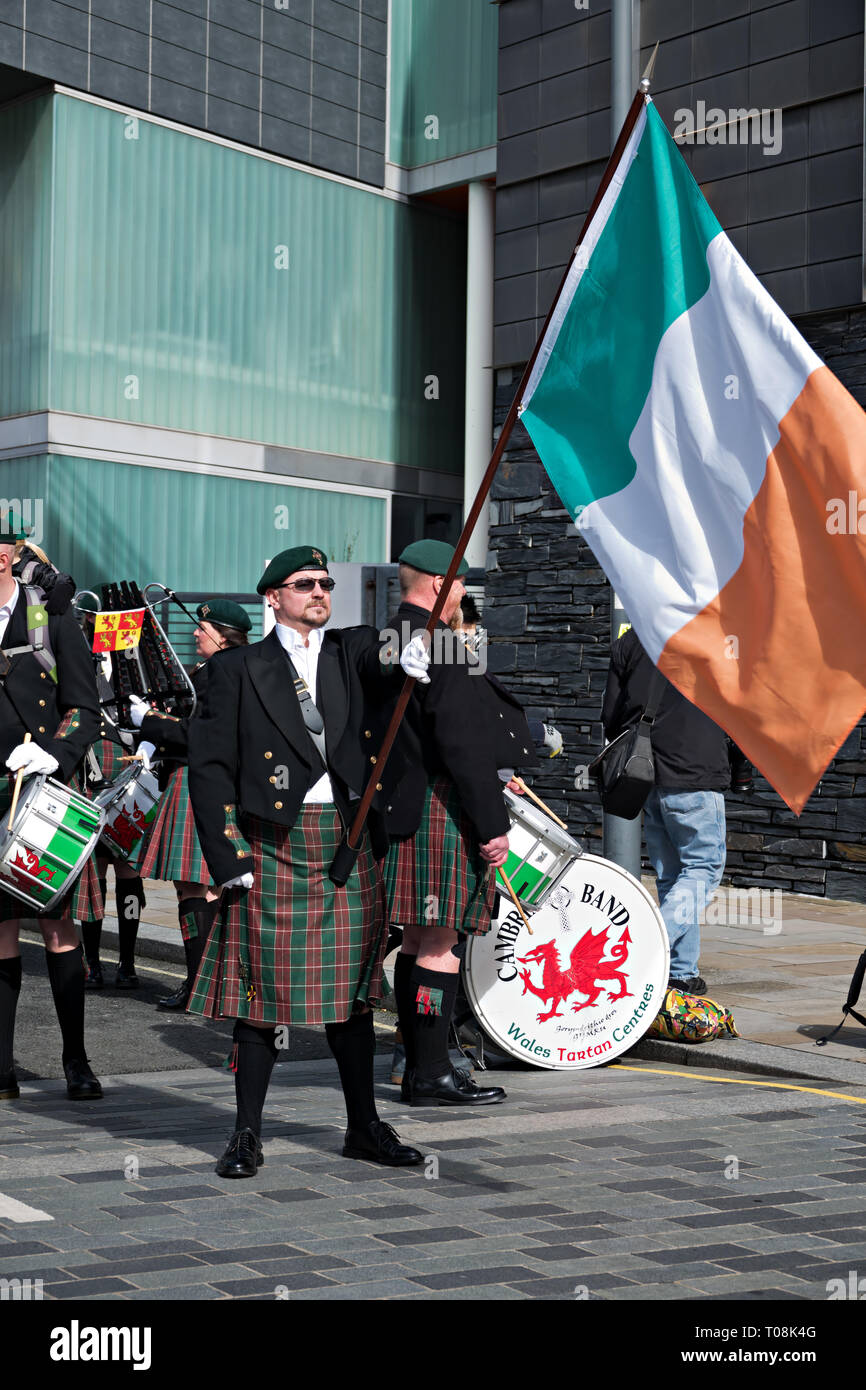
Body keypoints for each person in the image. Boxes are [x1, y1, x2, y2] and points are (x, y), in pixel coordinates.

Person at [186, 545, 423, 1178]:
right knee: (259, 997)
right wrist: (227, 853)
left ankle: (364, 1128)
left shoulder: (348, 651)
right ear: (273, 596)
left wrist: (408, 650)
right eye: (304, 584)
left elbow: (383, 648)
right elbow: (209, 771)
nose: (320, 591)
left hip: (344, 841)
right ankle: (245, 1135)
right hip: (274, 841)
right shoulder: (237, 669)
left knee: (351, 996)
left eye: (325, 582)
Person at [383, 539, 538, 1107]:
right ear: (438, 584)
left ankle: (417, 1063)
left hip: (403, 808)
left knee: (416, 940)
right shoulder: (441, 644)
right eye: (460, 584)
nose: (464, 595)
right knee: (441, 942)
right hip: (442, 809)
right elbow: (462, 744)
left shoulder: (388, 639)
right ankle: (429, 1073)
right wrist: (492, 823)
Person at [0, 513, 103, 1101]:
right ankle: (2, 1066)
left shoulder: (51, 617)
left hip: (44, 791)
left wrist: (54, 751)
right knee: (0, 928)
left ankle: (76, 1060)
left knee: (58, 926)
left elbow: (84, 707)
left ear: (7, 556)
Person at [129, 600, 251, 1010]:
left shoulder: (224, 670)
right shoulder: (217, 669)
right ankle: (208, 983)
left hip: (202, 779)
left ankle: (202, 985)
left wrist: (149, 719)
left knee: (198, 886)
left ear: (221, 632)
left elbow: (202, 733)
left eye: (202, 628)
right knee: (206, 887)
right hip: (205, 779)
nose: (195, 634)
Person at [601, 626, 731, 994]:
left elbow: (611, 716)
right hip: (695, 771)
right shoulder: (712, 637)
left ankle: (681, 972)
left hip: (646, 774)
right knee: (702, 868)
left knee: (672, 876)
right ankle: (647, 942)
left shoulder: (630, 641)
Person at [73, 595, 147, 990]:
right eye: (94, 621)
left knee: (129, 873)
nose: (98, 628)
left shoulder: (133, 667)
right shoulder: (77, 659)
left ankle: (129, 962)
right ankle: (93, 962)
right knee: (93, 874)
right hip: (90, 773)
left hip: (128, 770)